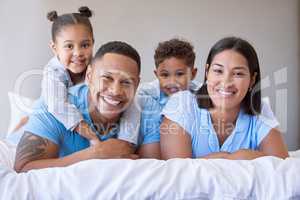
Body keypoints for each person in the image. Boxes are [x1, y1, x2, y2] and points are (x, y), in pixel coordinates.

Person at [14, 41, 141, 172]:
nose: (115, 91)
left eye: (126, 82)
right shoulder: (55, 107)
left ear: (137, 85)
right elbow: (23, 169)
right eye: (107, 77)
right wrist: (96, 154)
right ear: (89, 76)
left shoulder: (145, 114)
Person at [160, 37, 289, 160]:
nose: (226, 82)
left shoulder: (260, 109)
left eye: (238, 73)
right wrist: (238, 157)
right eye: (218, 71)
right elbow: (177, 171)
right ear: (207, 72)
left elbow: (281, 165)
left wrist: (216, 160)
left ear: (252, 80)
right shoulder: (181, 104)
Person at [42, 6, 140, 143]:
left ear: (93, 43)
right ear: (54, 48)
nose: (78, 53)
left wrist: (125, 142)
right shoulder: (53, 72)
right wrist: (93, 138)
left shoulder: (96, 67)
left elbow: (129, 103)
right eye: (69, 46)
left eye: (85, 45)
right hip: (56, 116)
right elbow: (56, 106)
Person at [137, 38, 198, 158]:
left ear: (193, 74)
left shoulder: (198, 95)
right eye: (165, 75)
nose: (172, 82)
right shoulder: (145, 95)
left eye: (180, 74)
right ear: (156, 74)